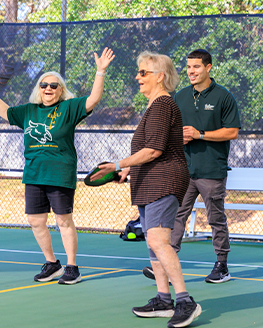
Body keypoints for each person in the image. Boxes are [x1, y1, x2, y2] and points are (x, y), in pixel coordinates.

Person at [0, 47, 115, 285]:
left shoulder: (69, 108)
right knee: (36, 221)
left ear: (61, 91)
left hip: (60, 173)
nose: (48, 89)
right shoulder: (29, 111)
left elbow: (93, 100)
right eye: (43, 85)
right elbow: (5, 112)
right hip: (34, 174)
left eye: (53, 86)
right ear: (38, 89)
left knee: (63, 220)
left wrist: (100, 72)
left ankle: (72, 267)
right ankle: (52, 264)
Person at [91, 51, 201, 327]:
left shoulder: (163, 105)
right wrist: (127, 170)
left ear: (160, 76)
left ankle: (185, 301)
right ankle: (164, 299)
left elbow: (153, 150)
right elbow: (148, 149)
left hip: (164, 181)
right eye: (138, 72)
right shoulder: (154, 107)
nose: (137, 77)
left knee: (158, 241)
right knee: (153, 244)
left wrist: (118, 162)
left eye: (143, 72)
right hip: (149, 182)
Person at [142, 49, 241, 284]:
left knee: (216, 218)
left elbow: (232, 132)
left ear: (208, 68)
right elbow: (170, 128)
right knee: (175, 217)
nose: (191, 72)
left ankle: (222, 266)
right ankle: (165, 263)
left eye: (196, 67)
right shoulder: (180, 96)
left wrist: (200, 134)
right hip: (182, 170)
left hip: (211, 170)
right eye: (188, 67)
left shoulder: (223, 97)